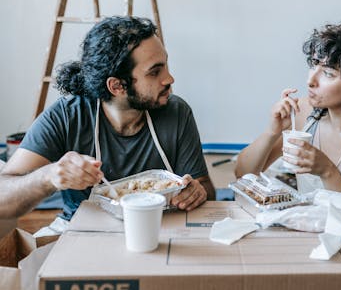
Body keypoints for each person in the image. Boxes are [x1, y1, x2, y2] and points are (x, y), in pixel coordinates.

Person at [0, 16, 215, 221]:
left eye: (166, 65)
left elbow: (205, 187)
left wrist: (197, 192)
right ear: (117, 86)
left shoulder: (176, 112)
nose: (169, 78)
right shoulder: (67, 116)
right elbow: (3, 199)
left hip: (158, 227)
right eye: (154, 72)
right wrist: (49, 176)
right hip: (81, 234)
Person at [235, 21, 341, 207]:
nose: (310, 81)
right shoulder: (302, 113)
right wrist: (272, 132)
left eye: (327, 73)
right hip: (306, 228)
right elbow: (243, 174)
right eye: (314, 65)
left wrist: (327, 171)